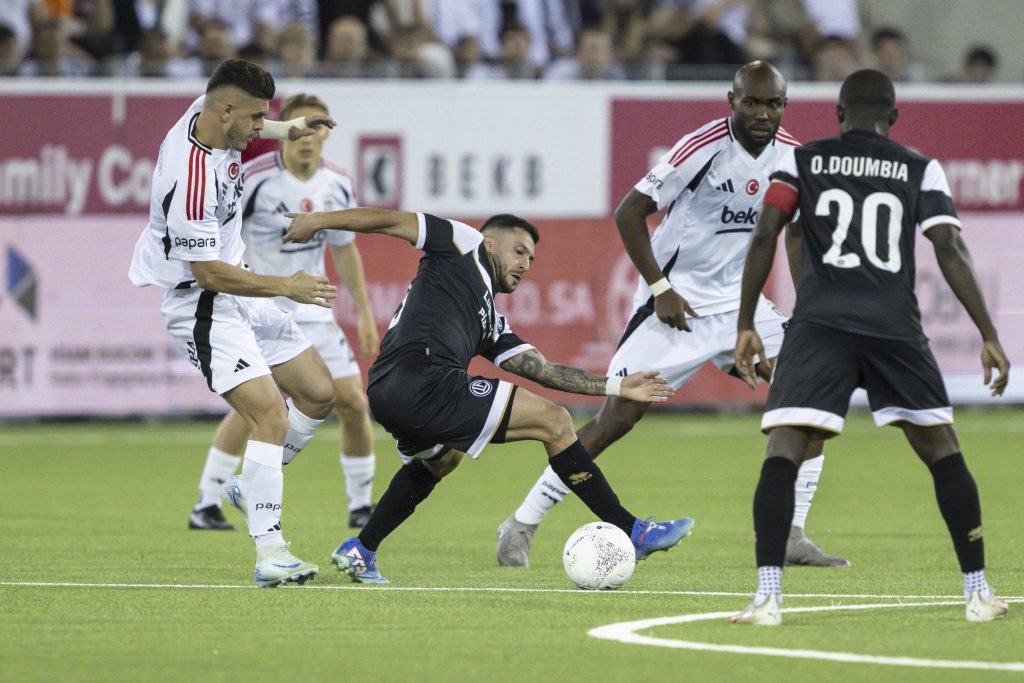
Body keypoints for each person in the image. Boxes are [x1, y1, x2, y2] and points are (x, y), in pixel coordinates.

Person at [497, 60, 848, 570]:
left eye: (773, 104)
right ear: (732, 100)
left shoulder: (793, 157)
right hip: (675, 304)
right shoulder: (702, 147)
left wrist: (809, 302)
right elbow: (629, 211)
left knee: (812, 390)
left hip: (736, 305)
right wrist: (660, 287)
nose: (762, 113)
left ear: (784, 107)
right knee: (617, 418)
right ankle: (521, 523)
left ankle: (791, 533)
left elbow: (793, 231)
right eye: (752, 102)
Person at [730, 69, 1011, 626]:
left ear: (838, 113)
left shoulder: (801, 160)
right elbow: (949, 245)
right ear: (894, 117)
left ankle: (767, 599)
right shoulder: (918, 166)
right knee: (943, 452)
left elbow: (767, 234)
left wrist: (746, 324)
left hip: (820, 324)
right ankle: (978, 593)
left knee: (784, 450)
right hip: (893, 327)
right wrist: (989, 333)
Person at [282, 208, 694, 584]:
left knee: (443, 459)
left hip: (389, 390)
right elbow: (392, 222)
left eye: (531, 259)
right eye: (518, 251)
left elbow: (544, 371)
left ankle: (362, 548)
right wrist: (319, 221)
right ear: (491, 242)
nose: (524, 264)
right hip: (422, 378)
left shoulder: (489, 319)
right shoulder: (463, 243)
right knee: (556, 422)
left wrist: (618, 386)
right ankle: (632, 530)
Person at [128, 59, 340, 588]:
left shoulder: (207, 115)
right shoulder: (190, 178)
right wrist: (285, 286)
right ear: (225, 111)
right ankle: (271, 552)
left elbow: (240, 115)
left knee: (318, 392)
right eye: (253, 119)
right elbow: (206, 272)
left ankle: (253, 482)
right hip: (201, 300)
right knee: (268, 414)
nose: (256, 130)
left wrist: (288, 128)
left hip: (237, 281)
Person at [187, 93, 380, 534]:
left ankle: (360, 506)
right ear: (283, 133)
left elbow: (345, 249)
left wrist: (365, 312)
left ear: (328, 136)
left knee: (352, 402)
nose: (308, 139)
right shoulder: (254, 178)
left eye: (318, 131)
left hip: (311, 305)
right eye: (300, 130)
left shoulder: (338, 183)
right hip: (260, 305)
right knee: (256, 407)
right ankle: (207, 501)